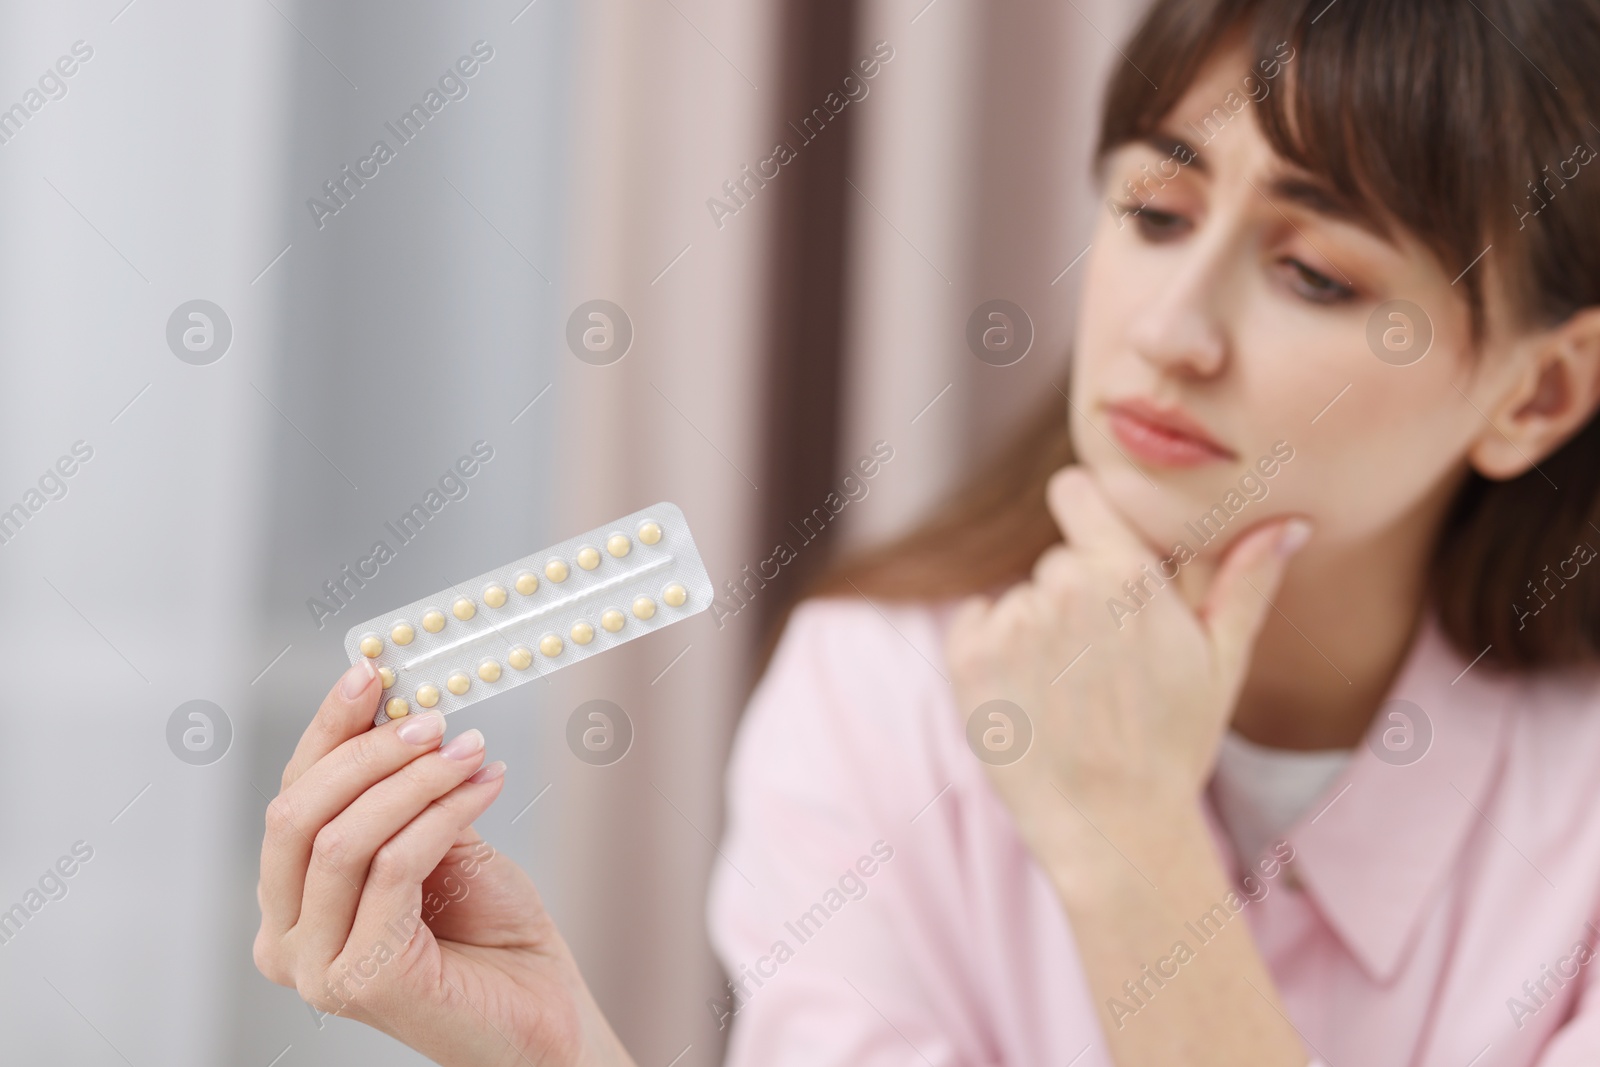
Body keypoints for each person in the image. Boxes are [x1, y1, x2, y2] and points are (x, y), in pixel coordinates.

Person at [253, 0, 1600, 1063]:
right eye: (1154, 211)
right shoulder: (877, 692)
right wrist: (555, 1058)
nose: (1170, 330)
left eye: (1315, 272)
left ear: (1536, 393)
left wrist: (1128, 844)